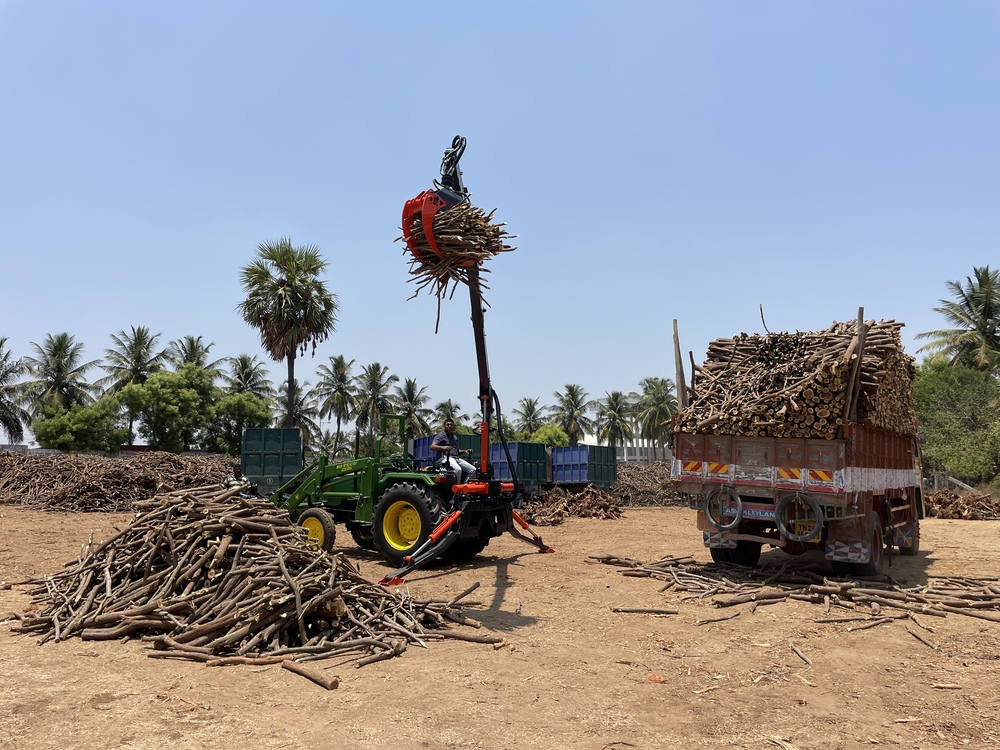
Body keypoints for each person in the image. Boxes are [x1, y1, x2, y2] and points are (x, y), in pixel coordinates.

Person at [431, 418, 477, 484]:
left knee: (473, 470)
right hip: (445, 458)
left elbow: (457, 451)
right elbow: (432, 447)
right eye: (448, 424)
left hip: (456, 458)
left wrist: (465, 451)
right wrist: (443, 447)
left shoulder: (454, 437)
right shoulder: (440, 436)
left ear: (453, 426)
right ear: (444, 426)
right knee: (458, 470)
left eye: (451, 425)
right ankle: (457, 488)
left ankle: (464, 487)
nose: (449, 426)